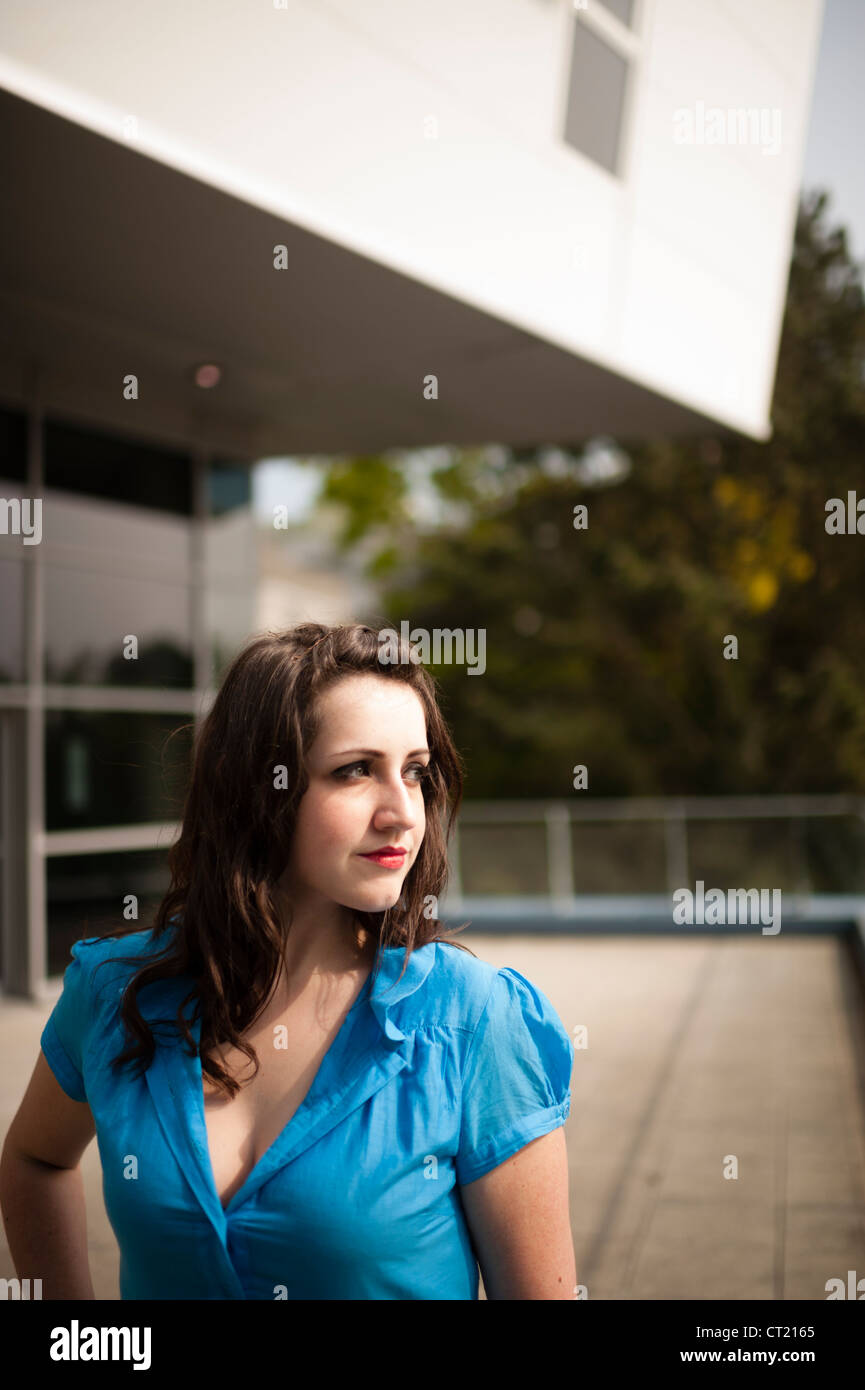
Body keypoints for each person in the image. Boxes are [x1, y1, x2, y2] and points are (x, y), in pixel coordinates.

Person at [0, 621, 576, 1299]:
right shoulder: (112, 993)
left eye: (415, 772)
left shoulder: (475, 1020)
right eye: (355, 770)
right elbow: (33, 1161)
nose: (402, 813)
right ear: (258, 789)